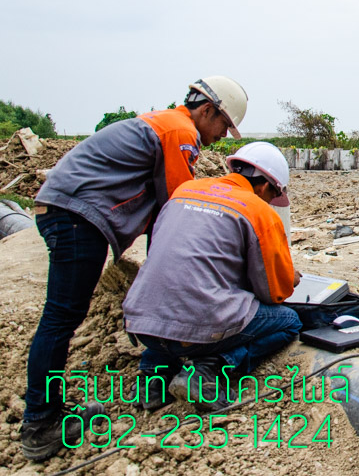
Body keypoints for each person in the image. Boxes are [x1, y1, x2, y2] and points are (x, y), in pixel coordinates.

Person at [21, 76, 247, 462]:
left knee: (61, 317)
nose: (223, 135)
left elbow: (160, 210)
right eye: (224, 125)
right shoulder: (180, 132)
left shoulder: (162, 123)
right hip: (77, 217)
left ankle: (44, 416)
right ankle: (41, 423)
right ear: (207, 110)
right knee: (61, 318)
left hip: (66, 210)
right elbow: (177, 205)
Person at [121, 142, 300, 412]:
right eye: (272, 196)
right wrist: (290, 278)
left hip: (141, 322)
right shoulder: (258, 210)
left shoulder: (184, 190)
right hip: (194, 332)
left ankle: (152, 378)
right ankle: (210, 369)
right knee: (289, 321)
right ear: (266, 186)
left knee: (175, 296)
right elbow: (274, 293)